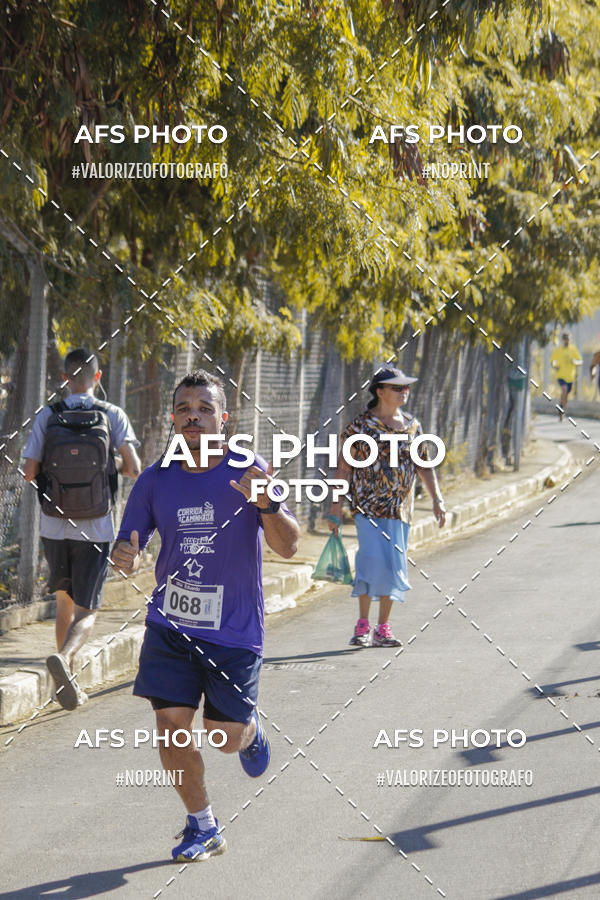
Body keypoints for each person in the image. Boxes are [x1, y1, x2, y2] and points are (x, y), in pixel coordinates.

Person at [111, 369, 299, 863]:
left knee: (223, 739)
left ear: (224, 419)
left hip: (234, 629)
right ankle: (203, 825)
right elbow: (127, 541)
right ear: (173, 419)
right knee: (172, 729)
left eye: (204, 408)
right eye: (184, 409)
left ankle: (250, 728)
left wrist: (267, 506)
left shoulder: (248, 469)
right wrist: (123, 555)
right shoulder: (155, 479)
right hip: (170, 625)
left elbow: (288, 545)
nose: (193, 416)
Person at [23, 348, 140, 710]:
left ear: (64, 378)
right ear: (98, 376)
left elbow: (28, 472)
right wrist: (108, 466)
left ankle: (66, 680)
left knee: (64, 603)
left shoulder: (48, 415)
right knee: (88, 610)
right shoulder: (111, 414)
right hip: (96, 526)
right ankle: (68, 658)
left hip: (54, 525)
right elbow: (134, 467)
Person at [328, 366, 446, 648]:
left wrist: (437, 499)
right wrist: (335, 506)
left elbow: (424, 466)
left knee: (394, 567)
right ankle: (363, 624)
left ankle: (383, 628)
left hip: (400, 510)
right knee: (370, 562)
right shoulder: (361, 427)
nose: (403, 391)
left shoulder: (412, 426)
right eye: (396, 387)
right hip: (367, 509)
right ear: (379, 391)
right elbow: (343, 467)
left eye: (406, 387)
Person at [550, 332, 582, 419]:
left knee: (566, 396)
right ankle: (561, 408)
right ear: (562, 340)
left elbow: (580, 361)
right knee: (564, 390)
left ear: (570, 340)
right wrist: (554, 366)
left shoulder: (573, 350)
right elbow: (552, 361)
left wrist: (575, 362)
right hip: (561, 375)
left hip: (570, 377)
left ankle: (561, 408)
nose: (566, 340)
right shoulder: (558, 350)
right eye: (565, 339)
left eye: (568, 339)